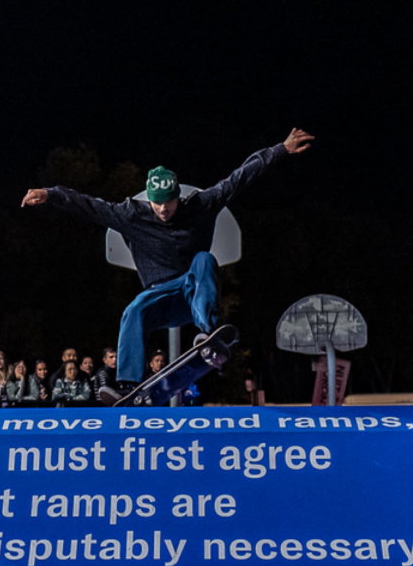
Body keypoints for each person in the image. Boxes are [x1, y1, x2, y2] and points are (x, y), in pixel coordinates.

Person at [22, 129, 314, 386]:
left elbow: (238, 178)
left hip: (194, 294)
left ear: (179, 196)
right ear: (148, 199)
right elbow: (90, 206)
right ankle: (128, 384)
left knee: (204, 259)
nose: (163, 209)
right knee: (134, 309)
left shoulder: (201, 205)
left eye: (169, 203)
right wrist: (52, 194)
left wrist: (279, 150)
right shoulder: (131, 215)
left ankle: (210, 336)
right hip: (160, 300)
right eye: (157, 203)